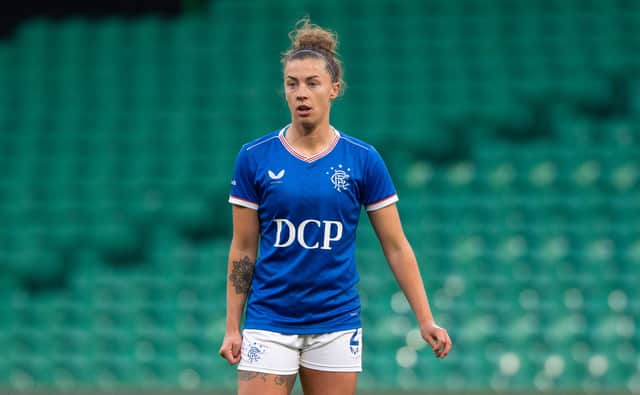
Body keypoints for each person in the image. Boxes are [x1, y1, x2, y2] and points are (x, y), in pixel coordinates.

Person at [219, 17, 452, 395]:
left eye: (313, 83)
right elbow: (243, 248)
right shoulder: (254, 157)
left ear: (334, 89)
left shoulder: (363, 160)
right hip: (269, 321)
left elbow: (395, 245)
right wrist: (233, 325)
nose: (301, 93)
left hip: (336, 322)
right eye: (292, 84)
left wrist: (425, 319)